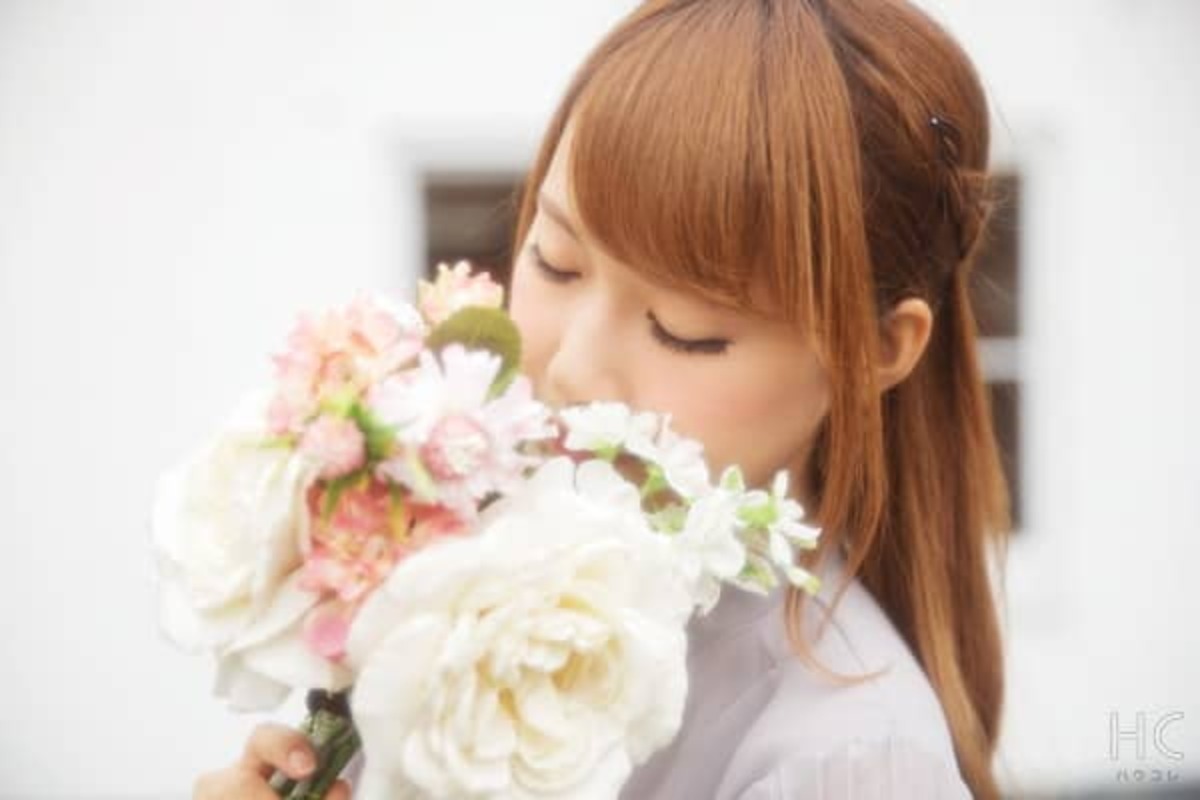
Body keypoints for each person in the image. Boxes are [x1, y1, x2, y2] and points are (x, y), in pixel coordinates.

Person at [194, 0, 1012, 797]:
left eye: (685, 330)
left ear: (872, 350)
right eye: (555, 262)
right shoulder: (454, 568)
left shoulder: (849, 761)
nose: (575, 368)